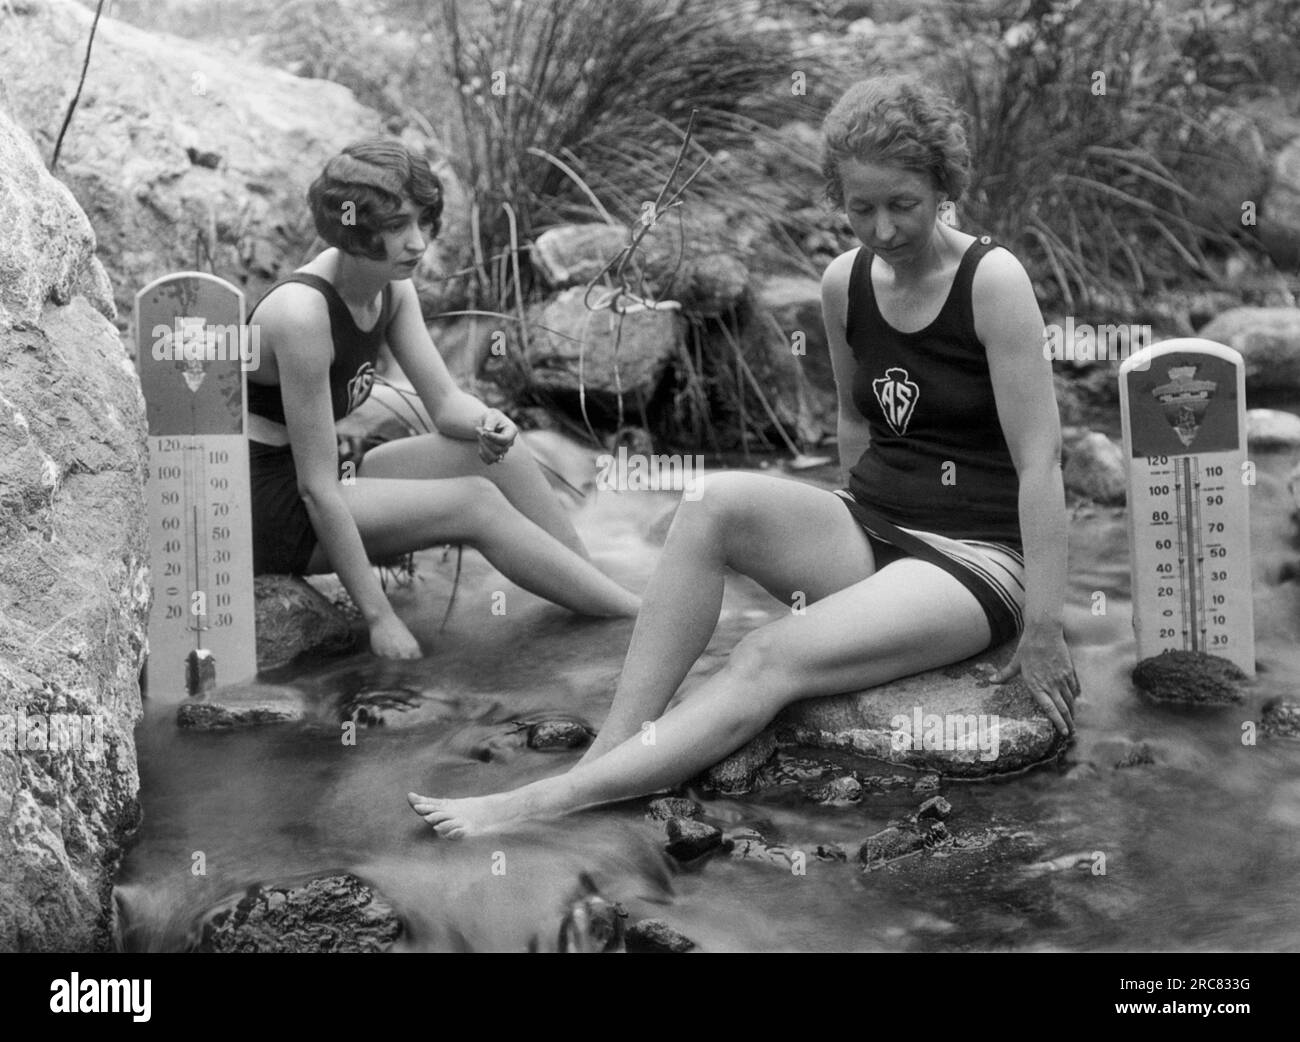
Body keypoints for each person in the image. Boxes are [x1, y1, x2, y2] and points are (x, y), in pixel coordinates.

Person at [409, 75, 1079, 836]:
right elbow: (854, 424)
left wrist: (1044, 627)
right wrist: (840, 555)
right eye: (861, 208)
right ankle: (610, 747)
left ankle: (547, 803)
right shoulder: (844, 282)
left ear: (944, 187)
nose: (884, 228)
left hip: (976, 558)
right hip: (875, 526)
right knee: (710, 501)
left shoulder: (992, 281)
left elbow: (1042, 462)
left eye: (904, 204)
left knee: (766, 654)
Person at [246, 139, 639, 659]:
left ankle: (594, 592)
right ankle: (640, 618)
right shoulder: (302, 315)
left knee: (498, 453)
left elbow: (447, 405)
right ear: (353, 226)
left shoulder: (391, 288)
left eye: (423, 222)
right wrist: (380, 619)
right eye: (397, 226)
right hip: (266, 508)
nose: (418, 243)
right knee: (474, 502)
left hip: (325, 474)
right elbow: (317, 490)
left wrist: (489, 422)